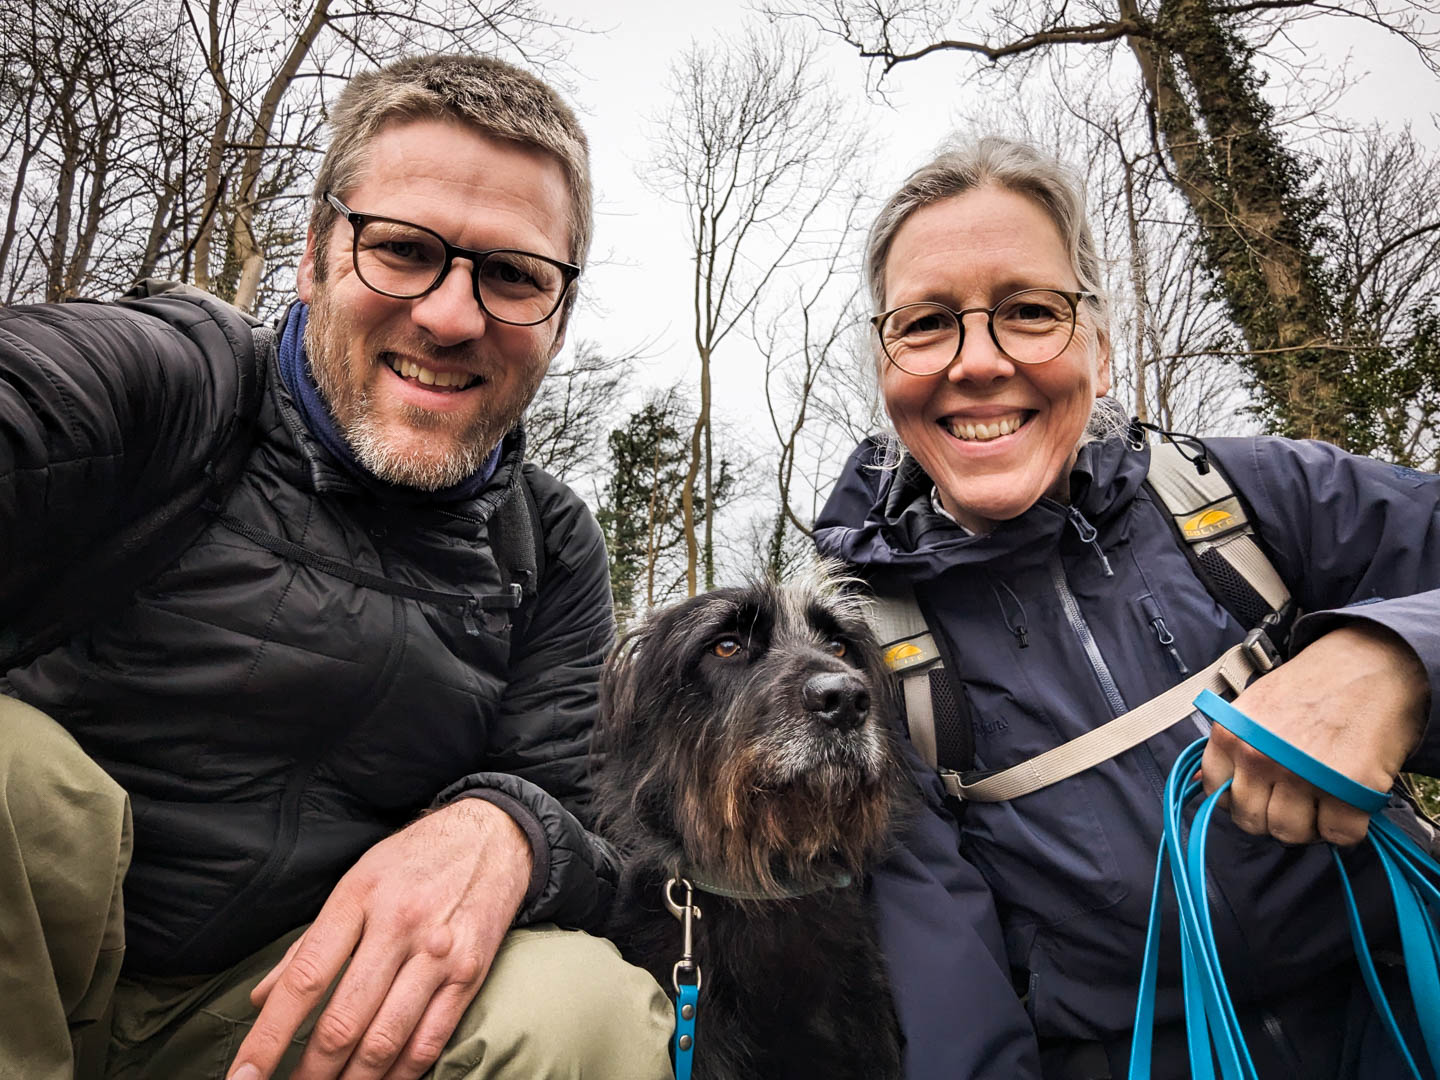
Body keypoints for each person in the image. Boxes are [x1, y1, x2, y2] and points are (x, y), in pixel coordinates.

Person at [0, 53, 673, 1080]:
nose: (452, 316)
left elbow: (588, 834)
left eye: (512, 275)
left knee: (590, 1010)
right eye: (402, 249)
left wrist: (514, 826)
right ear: (316, 255)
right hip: (24, 969)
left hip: (282, 1023)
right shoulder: (170, 382)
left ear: (559, 315)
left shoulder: (553, 548)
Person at [815, 135, 1440, 1080]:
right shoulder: (859, 654)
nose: (978, 362)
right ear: (885, 365)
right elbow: (954, 1009)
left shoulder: (1259, 498)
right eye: (928, 323)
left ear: (1100, 352)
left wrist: (1397, 658)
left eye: (1030, 311)